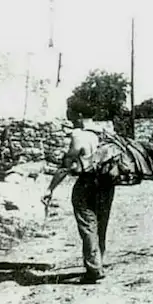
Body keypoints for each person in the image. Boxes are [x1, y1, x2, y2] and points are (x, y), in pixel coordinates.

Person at [41, 118, 116, 284]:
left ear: (79, 115)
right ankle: (99, 262)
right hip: (107, 185)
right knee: (101, 224)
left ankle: (94, 269)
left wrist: (50, 188)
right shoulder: (106, 134)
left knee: (88, 225)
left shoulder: (79, 136)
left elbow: (66, 165)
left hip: (87, 183)